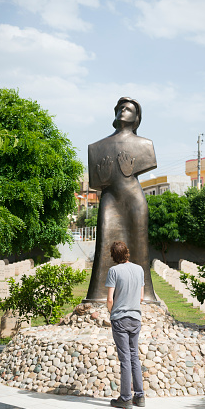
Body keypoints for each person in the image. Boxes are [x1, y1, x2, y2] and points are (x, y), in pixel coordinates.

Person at [86, 97, 158, 303]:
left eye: (129, 109)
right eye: (121, 107)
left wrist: (128, 172)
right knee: (104, 247)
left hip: (134, 200)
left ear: (137, 118)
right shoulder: (97, 147)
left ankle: (144, 295)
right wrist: (106, 177)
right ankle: (100, 294)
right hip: (110, 200)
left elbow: (139, 168)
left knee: (139, 247)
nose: (123, 110)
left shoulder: (145, 145)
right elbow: (95, 182)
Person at [106, 240, 145, 409]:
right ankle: (140, 396)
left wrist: (112, 312)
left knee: (125, 359)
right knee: (134, 356)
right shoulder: (139, 269)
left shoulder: (113, 271)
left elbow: (109, 299)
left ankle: (125, 398)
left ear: (113, 255)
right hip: (135, 318)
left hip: (120, 319)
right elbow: (141, 297)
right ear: (127, 252)